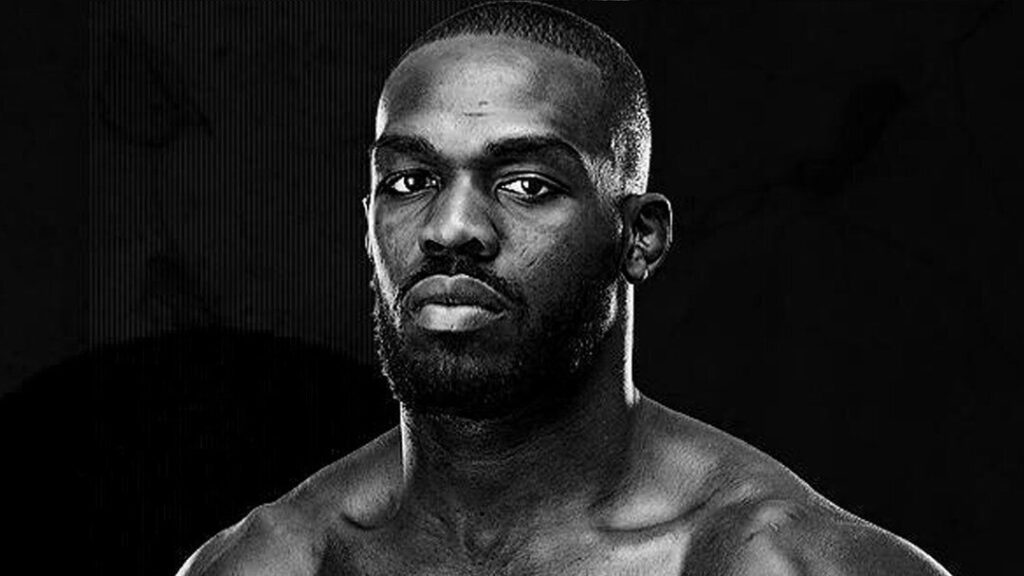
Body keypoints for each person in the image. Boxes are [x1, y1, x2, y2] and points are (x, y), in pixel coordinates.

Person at [177, 2, 952, 574]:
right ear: (368, 224)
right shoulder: (276, 563)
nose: (452, 228)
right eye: (411, 181)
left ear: (640, 237)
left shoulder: (783, 562)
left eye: (526, 184)